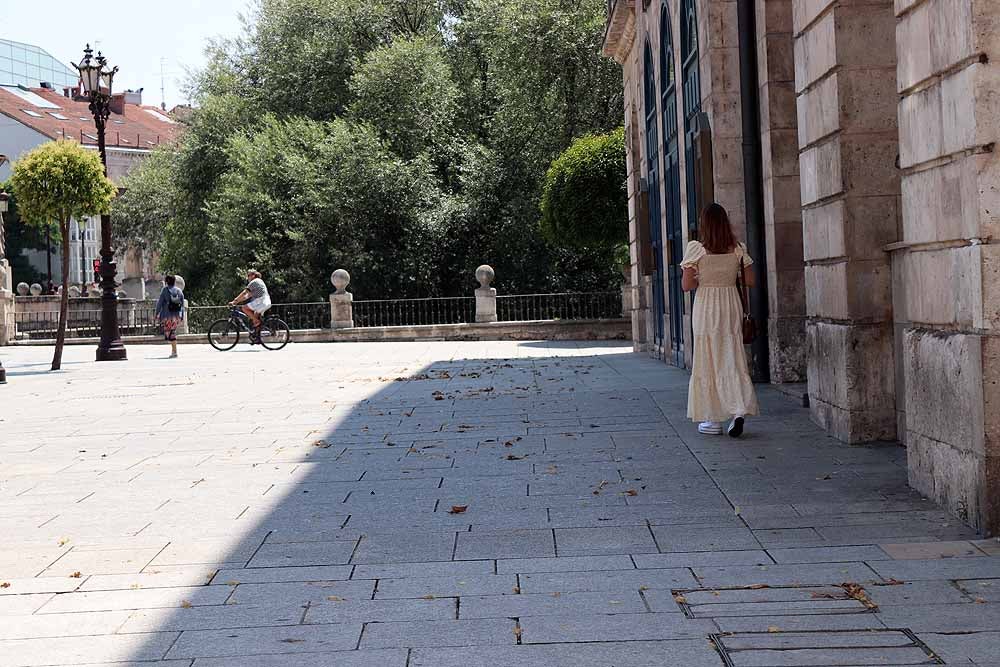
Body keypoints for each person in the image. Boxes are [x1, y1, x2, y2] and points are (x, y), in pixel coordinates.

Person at [680, 203, 759, 437]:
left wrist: (702, 275)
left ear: (704, 224)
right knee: (731, 356)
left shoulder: (696, 249)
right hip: (730, 305)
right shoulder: (737, 249)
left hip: (706, 307)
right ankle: (738, 411)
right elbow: (751, 280)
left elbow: (687, 285)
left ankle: (712, 420)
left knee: (708, 358)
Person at [155, 275, 185, 358]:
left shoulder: (165, 290)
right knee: (172, 332)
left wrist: (156, 313)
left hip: (167, 316)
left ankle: (174, 351)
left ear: (166, 282)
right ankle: (173, 351)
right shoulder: (179, 290)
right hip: (176, 316)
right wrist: (182, 315)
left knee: (170, 334)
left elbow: (160, 303)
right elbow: (182, 305)